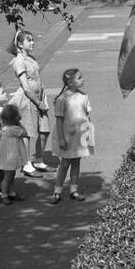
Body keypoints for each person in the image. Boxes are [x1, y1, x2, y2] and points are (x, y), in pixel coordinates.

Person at [49, 67, 93, 203]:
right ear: (70, 82)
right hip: (67, 136)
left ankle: (74, 190)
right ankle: (57, 191)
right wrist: (61, 138)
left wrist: (88, 134)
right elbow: (59, 119)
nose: (82, 79)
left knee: (76, 161)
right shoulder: (62, 99)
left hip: (79, 135)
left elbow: (86, 115)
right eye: (79, 78)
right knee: (65, 163)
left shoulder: (83, 96)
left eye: (81, 77)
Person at [8, 29, 48, 175]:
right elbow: (26, 86)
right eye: (28, 40)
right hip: (28, 99)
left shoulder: (31, 58)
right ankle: (26, 164)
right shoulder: (19, 61)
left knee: (44, 130)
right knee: (28, 132)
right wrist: (38, 102)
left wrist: (42, 98)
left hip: (39, 97)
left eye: (32, 40)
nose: (32, 42)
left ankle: (38, 159)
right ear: (20, 44)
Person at [0, 99, 30, 202]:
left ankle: (11, 192)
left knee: (10, 174)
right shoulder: (14, 129)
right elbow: (25, 133)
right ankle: (4, 194)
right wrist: (20, 124)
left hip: (6, 155)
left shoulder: (5, 128)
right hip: (11, 155)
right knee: (8, 176)